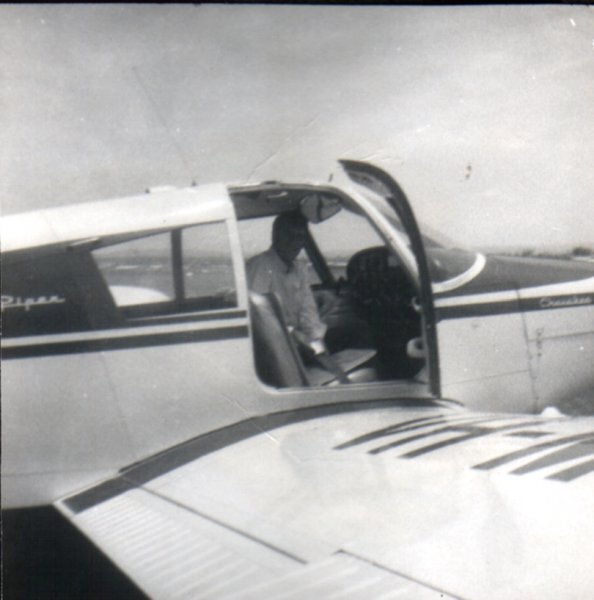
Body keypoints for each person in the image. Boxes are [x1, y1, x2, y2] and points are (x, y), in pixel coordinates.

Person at [246, 211, 328, 355]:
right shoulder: (260, 266)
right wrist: (294, 335)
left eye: (299, 237)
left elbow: (307, 310)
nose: (294, 242)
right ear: (275, 236)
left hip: (294, 343)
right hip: (270, 346)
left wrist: (317, 341)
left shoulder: (300, 269)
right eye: (289, 235)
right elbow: (259, 316)